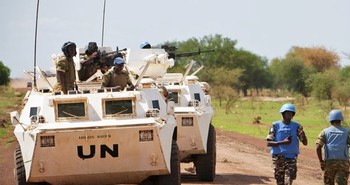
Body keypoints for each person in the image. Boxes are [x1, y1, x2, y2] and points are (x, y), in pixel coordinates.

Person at [266, 103, 308, 185]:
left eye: (291, 113)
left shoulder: (297, 126)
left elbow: (305, 143)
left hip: (291, 157)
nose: (289, 115)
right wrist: (283, 142)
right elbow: (269, 143)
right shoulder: (275, 125)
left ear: (293, 115)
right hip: (278, 157)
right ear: (283, 114)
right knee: (280, 181)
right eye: (287, 113)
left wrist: (303, 135)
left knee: (289, 179)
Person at [316, 110, 350, 185]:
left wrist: (321, 161)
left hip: (329, 162)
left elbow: (318, 147)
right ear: (341, 120)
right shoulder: (347, 132)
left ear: (330, 120)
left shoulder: (325, 132)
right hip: (343, 163)